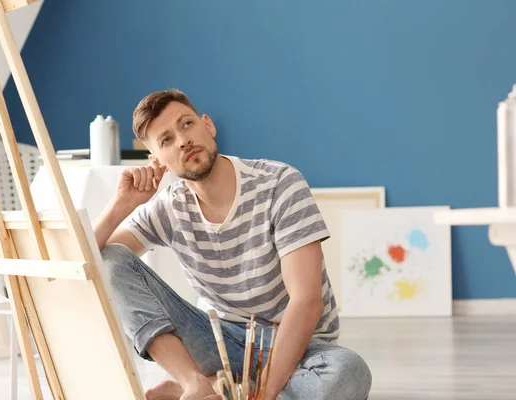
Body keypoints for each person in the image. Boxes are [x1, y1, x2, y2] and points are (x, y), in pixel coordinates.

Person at [93, 89, 372, 400]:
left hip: (300, 346)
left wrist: (264, 394)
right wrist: (121, 205)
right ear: (158, 161)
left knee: (349, 373)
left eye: (186, 124)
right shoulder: (169, 208)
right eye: (166, 140)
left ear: (207, 125)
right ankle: (193, 383)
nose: (183, 140)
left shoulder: (279, 183)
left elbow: (307, 302)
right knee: (111, 258)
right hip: (218, 339)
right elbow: (91, 262)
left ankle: (220, 388)